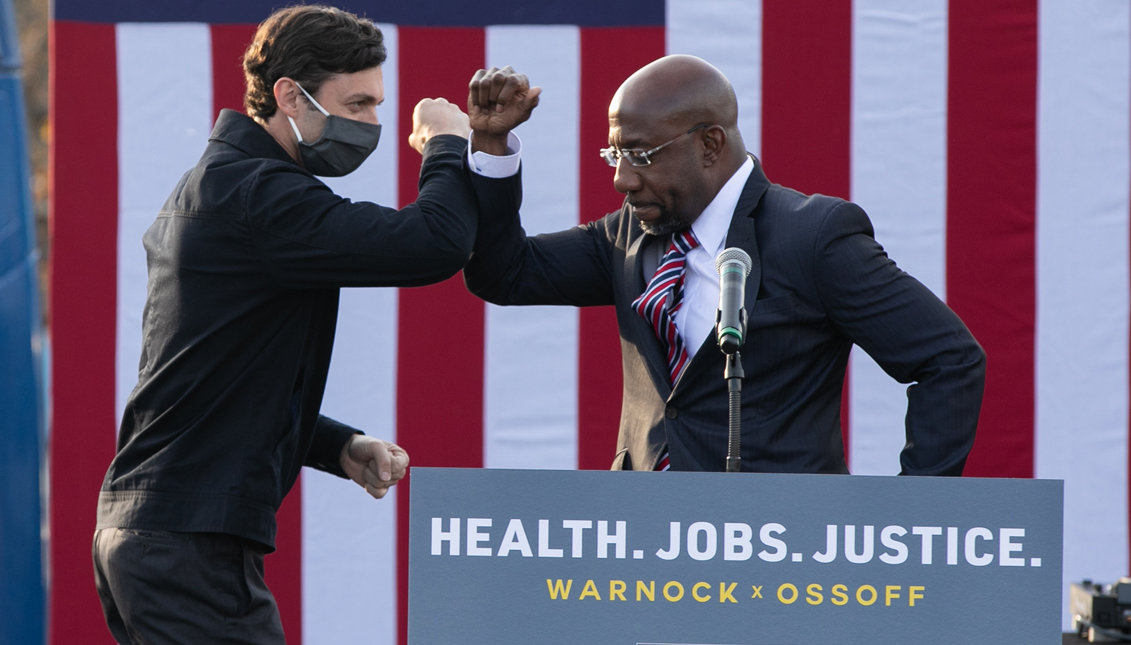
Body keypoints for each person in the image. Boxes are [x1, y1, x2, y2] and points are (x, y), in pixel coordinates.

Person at [92, 6, 532, 643]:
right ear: (289, 96)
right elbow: (434, 243)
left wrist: (333, 444)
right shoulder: (257, 196)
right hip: (186, 544)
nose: (374, 124)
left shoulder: (225, 186)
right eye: (356, 104)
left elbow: (218, 374)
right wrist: (446, 144)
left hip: (155, 533)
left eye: (378, 104)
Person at [464, 55, 986, 475]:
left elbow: (949, 360)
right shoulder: (630, 231)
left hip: (779, 560)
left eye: (641, 156)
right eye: (614, 155)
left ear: (710, 144)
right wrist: (491, 147)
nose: (622, 179)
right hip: (644, 547)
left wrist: (910, 513)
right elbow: (505, 272)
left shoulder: (814, 237)